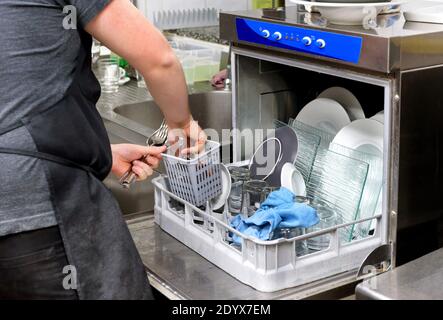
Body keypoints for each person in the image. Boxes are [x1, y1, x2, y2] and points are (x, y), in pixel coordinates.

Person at [0, 0, 206, 300]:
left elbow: (17, 90)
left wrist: (99, 153)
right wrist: (182, 125)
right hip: (33, 207)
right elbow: (159, 58)